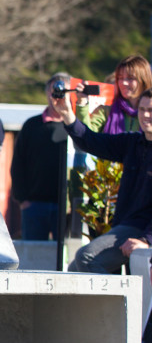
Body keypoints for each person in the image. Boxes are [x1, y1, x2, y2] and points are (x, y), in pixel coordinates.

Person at [50, 88, 152, 274]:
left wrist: (147, 240)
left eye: (151, 110)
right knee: (74, 269)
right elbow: (92, 141)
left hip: (143, 231)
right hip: (126, 227)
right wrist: (67, 114)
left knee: (86, 258)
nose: (145, 115)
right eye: (142, 109)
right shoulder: (133, 143)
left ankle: (116, 303)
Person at [10, 73, 71, 240]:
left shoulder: (75, 127)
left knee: (64, 260)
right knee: (33, 257)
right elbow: (18, 164)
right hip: (35, 205)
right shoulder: (32, 125)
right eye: (54, 92)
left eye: (63, 92)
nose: (58, 97)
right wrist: (22, 199)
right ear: (47, 94)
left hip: (66, 207)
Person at [77, 55, 152, 133]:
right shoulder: (106, 111)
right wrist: (82, 102)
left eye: (130, 78)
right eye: (120, 78)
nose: (124, 83)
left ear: (144, 80)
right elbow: (85, 135)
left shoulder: (149, 114)